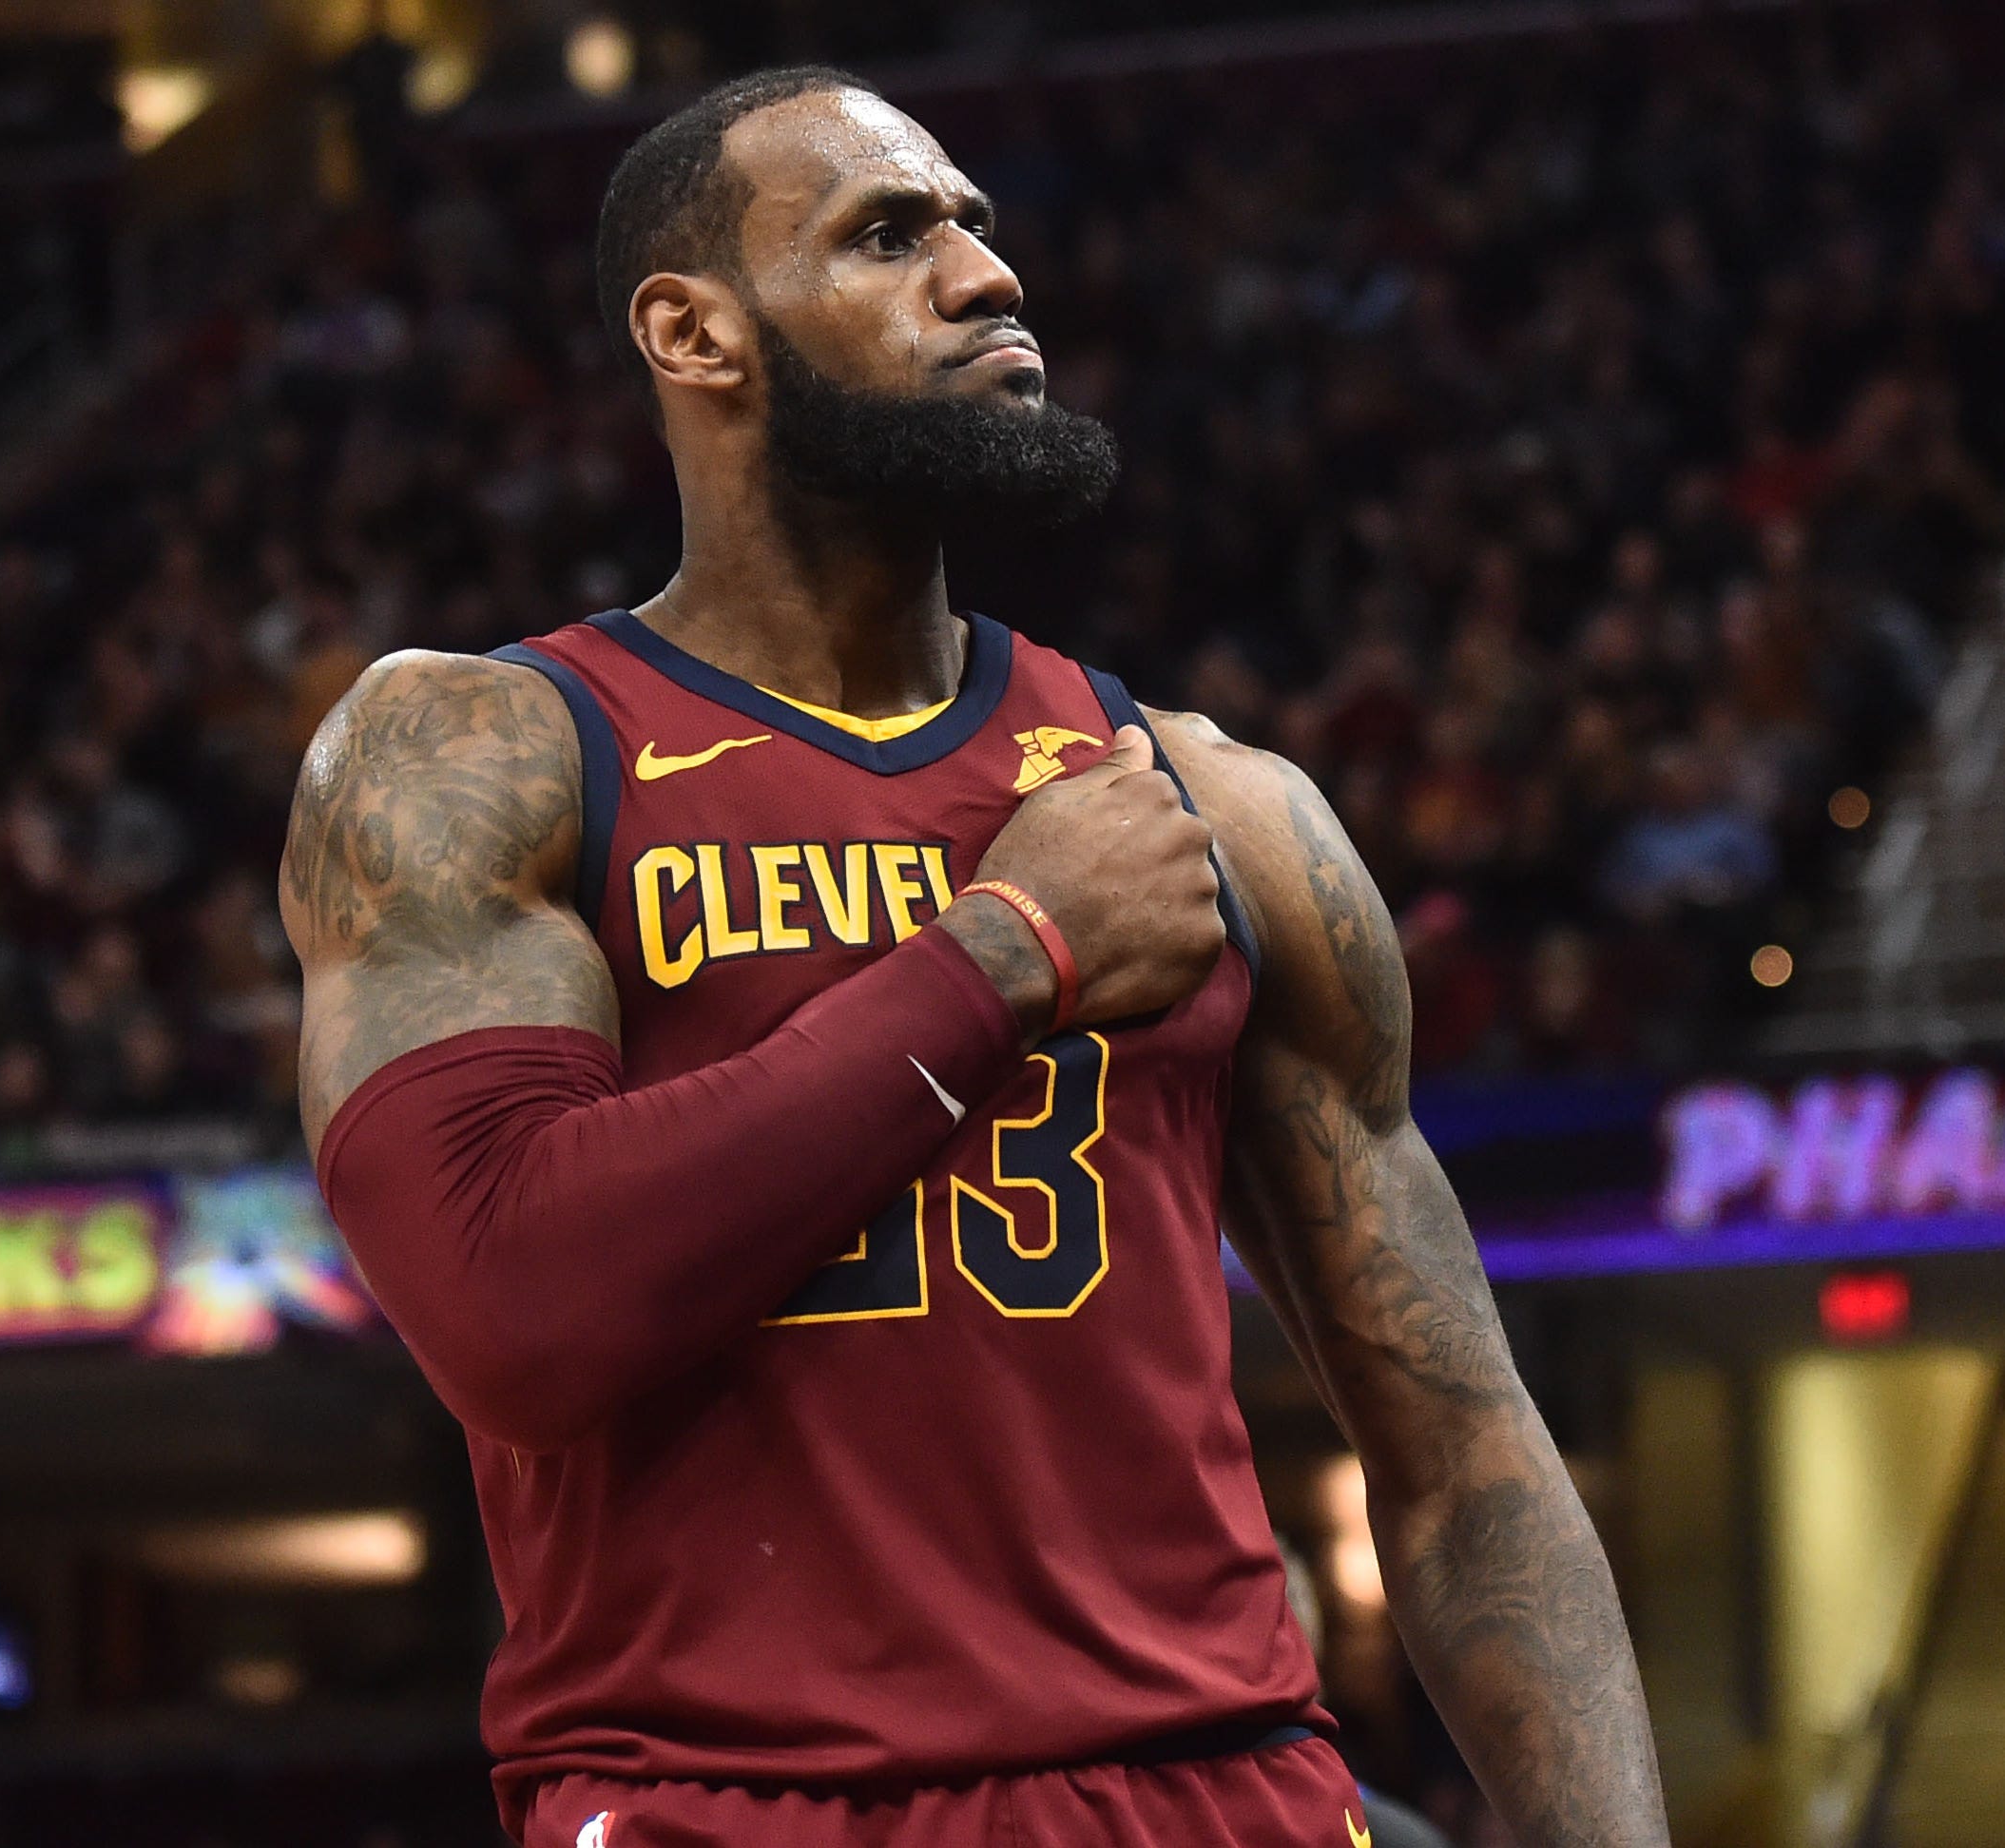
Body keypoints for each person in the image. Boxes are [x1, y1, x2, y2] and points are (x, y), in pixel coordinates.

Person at [281, 67, 1670, 1848]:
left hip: (1218, 1787)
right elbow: (508, 1312)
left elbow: (1464, 1460)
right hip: (744, 1805)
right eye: (889, 234)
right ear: (692, 333)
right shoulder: (488, 753)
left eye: (975, 227)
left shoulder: (1215, 805)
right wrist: (1001, 955)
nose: (983, 274)